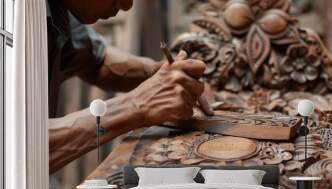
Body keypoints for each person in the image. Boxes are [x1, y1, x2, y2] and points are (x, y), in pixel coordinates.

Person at [47, 0, 213, 173]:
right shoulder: (19, 12)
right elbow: (18, 150)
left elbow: (97, 60)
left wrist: (158, 72)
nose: (126, 6)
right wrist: (137, 105)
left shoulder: (58, 10)